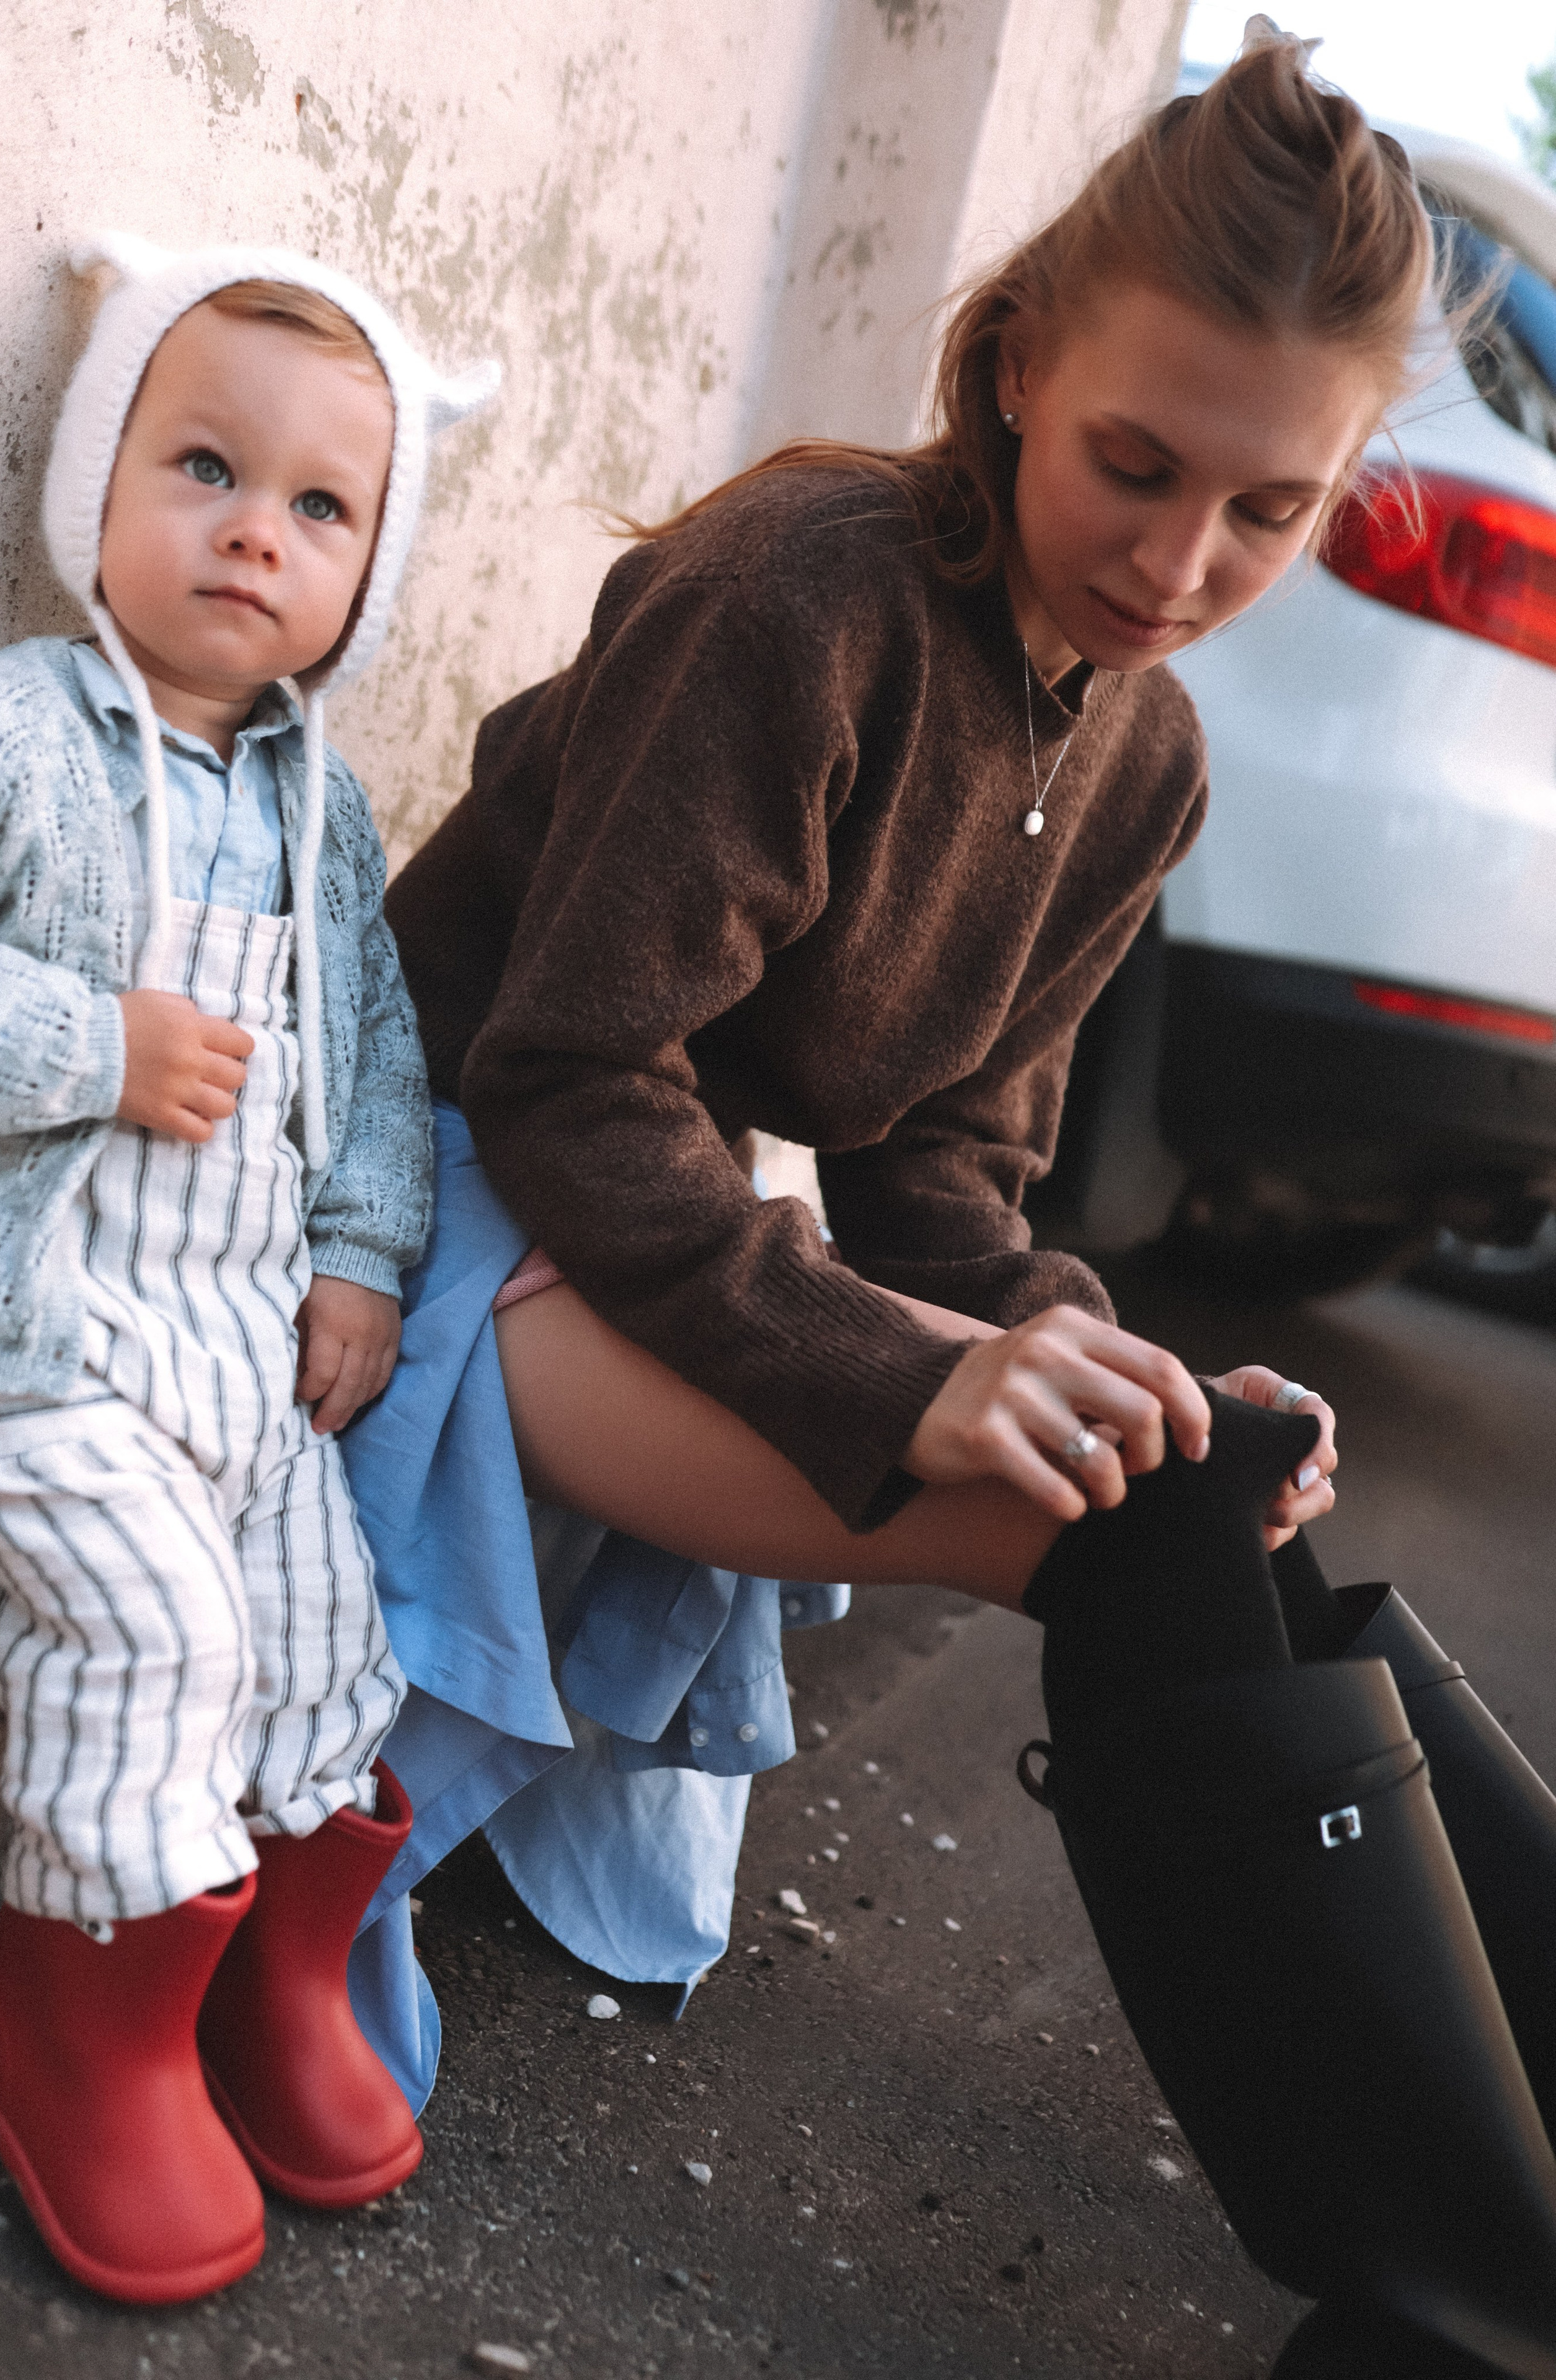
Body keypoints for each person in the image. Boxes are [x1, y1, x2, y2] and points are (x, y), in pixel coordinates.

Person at [354, 22, 1556, 2374]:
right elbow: (570, 1078)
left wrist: (1098, 1356)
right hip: (449, 1196)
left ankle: (1491, 2233)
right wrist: (903, 1374)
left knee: (1195, 1478)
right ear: (1017, 368)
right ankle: (1453, 2292)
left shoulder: (1148, 755)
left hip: (640, 1211)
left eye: (1269, 511)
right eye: (1135, 465)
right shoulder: (798, 597)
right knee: (1122, 1537)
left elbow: (947, 1170)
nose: (1181, 563)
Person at [0, 234, 498, 2306]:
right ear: (94, 479)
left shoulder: (321, 814)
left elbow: (373, 1063)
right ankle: (72, 2008)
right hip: (39, 1341)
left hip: (236, 1344)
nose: (254, 533)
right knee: (159, 1639)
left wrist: (359, 1261)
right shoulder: (10, 735)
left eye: (320, 505)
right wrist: (88, 1048)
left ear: (368, 565)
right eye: (203, 468)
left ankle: (268, 1969)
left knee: (313, 1635)